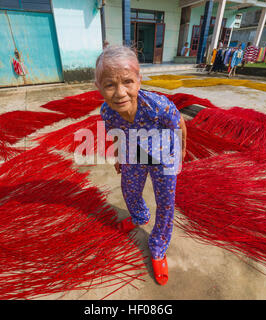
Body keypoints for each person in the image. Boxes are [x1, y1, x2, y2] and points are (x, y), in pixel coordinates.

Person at [95, 46, 187, 286]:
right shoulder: (107, 111)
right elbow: (115, 133)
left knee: (165, 202)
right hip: (133, 154)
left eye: (127, 82)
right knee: (129, 189)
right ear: (100, 88)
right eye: (109, 85)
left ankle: (158, 247)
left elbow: (179, 125)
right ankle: (139, 216)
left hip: (163, 156)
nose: (120, 93)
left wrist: (181, 151)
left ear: (138, 80)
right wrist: (118, 156)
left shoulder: (157, 105)